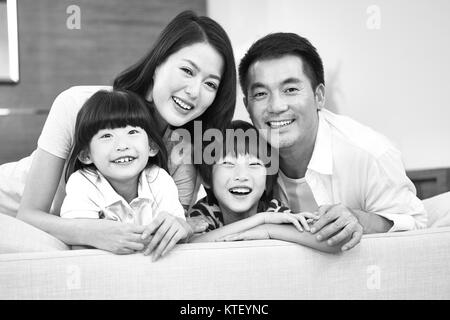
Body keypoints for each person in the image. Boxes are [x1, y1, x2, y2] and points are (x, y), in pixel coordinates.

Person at [0, 10, 236, 255]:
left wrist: (182, 227)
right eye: (187, 71)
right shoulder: (77, 104)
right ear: (157, 64)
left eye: (210, 84)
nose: (195, 91)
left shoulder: (185, 151)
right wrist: (94, 231)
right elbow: (28, 215)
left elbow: (170, 230)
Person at [237, 32, 427, 251]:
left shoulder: (370, 153)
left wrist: (359, 219)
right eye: (261, 94)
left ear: (319, 97)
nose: (276, 106)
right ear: (248, 105)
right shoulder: (241, 156)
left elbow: (419, 227)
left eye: (290, 90)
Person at [60, 89, 188, 259]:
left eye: (132, 132)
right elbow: (80, 245)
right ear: (86, 155)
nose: (122, 145)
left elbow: (178, 227)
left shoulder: (159, 178)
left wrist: (180, 227)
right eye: (106, 135)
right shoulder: (82, 183)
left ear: (151, 146)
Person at [188, 120, 338, 253]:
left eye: (254, 164)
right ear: (207, 179)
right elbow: (192, 246)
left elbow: (328, 242)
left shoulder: (274, 209)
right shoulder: (205, 211)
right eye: (227, 163)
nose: (242, 175)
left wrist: (268, 230)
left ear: (267, 180)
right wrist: (261, 219)